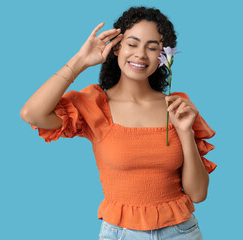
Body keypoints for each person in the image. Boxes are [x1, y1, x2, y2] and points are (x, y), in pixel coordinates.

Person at [20, 6, 216, 240]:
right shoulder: (95, 105)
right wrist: (80, 61)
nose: (141, 55)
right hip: (120, 234)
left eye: (152, 47)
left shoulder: (177, 106)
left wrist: (184, 132)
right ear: (116, 48)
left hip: (181, 232)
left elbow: (198, 194)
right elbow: (32, 114)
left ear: (163, 57)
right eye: (132, 44)